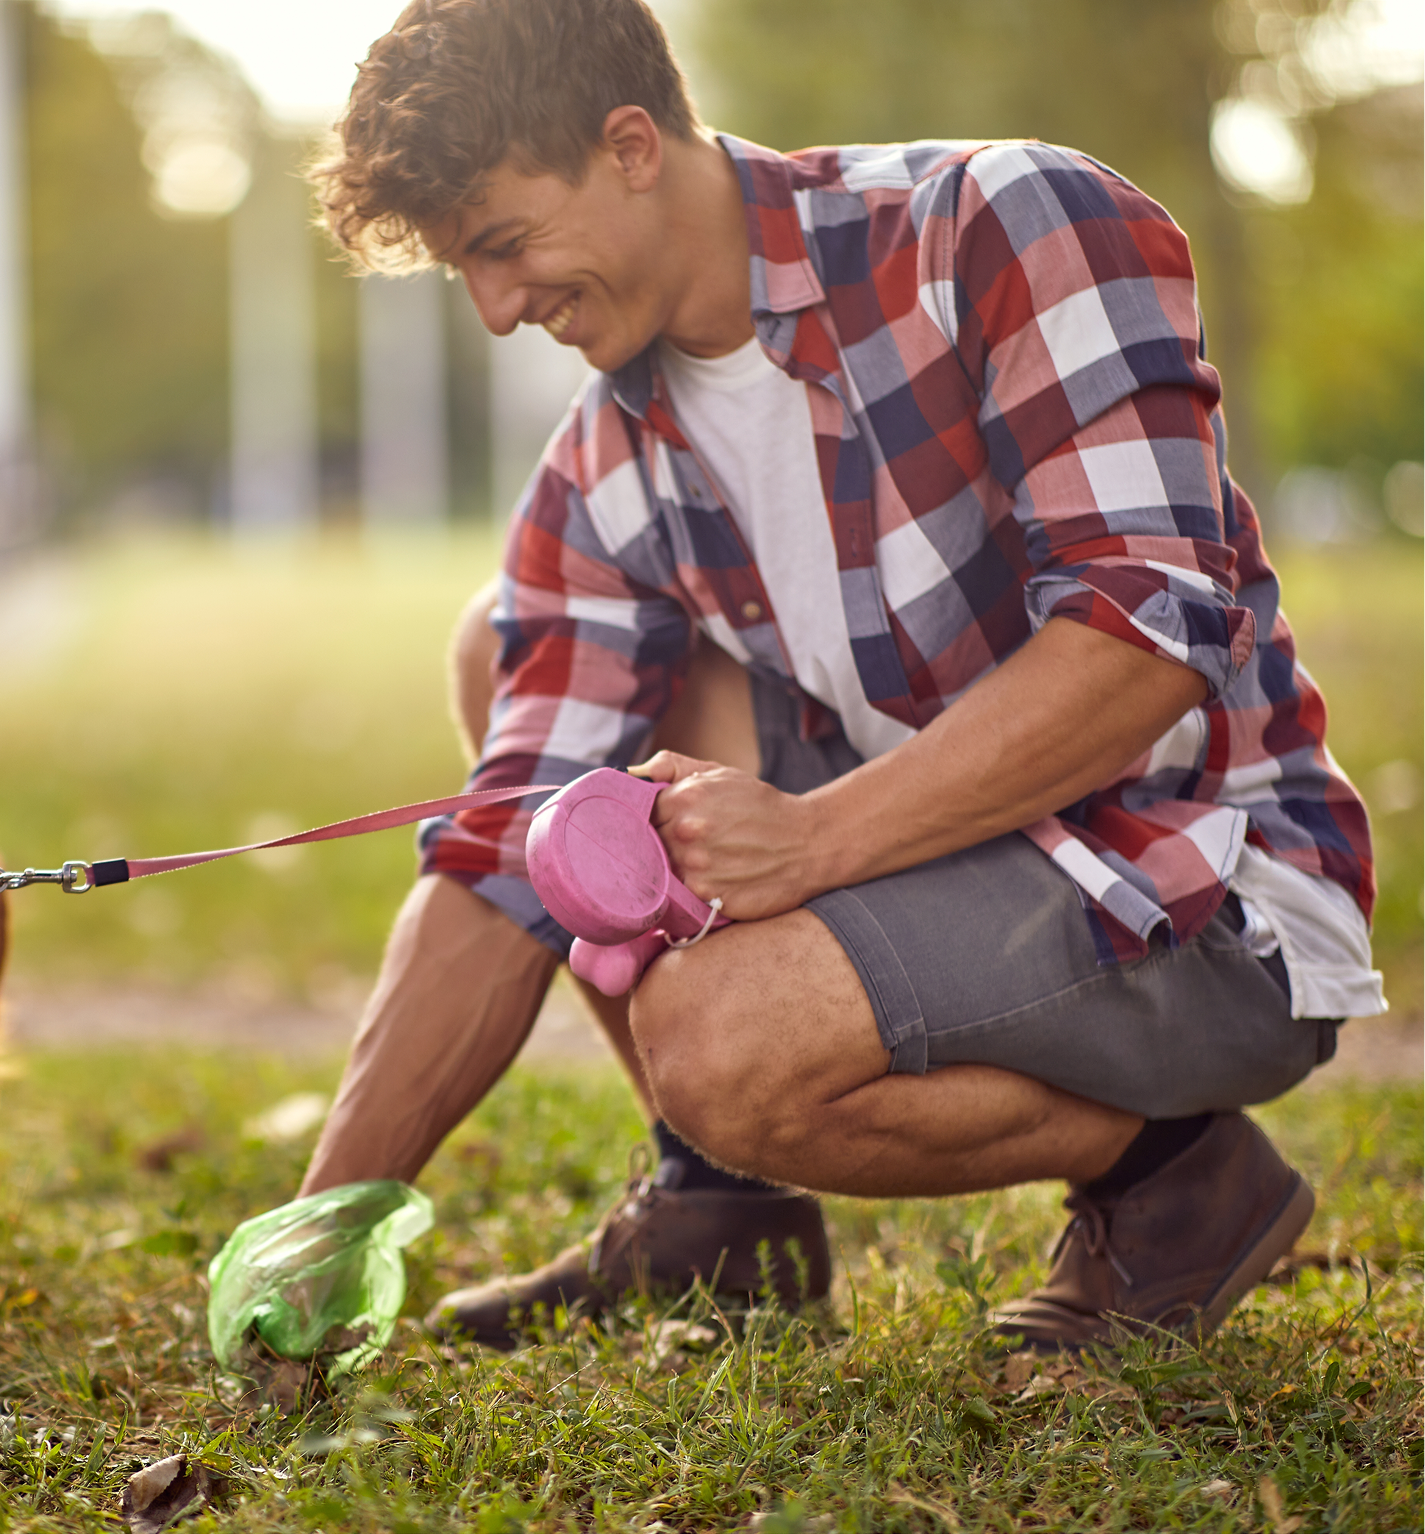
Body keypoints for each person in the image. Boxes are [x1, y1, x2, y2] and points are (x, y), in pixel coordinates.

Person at [297, 0, 1383, 1351]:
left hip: (1199, 874)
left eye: (506, 246)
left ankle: (1176, 1185)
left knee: (720, 1042)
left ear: (630, 144)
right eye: (470, 271)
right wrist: (324, 1215)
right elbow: (513, 842)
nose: (500, 310)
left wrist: (812, 843)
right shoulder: (607, 457)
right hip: (936, 846)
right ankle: (720, 1215)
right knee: (498, 642)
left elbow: (1145, 638)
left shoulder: (999, 224)